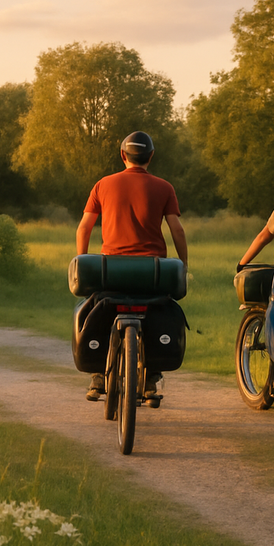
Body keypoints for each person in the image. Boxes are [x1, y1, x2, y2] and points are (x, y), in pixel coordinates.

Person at [76, 130, 188, 401]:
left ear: (122, 155)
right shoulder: (164, 187)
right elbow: (177, 230)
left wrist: (83, 261)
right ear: (151, 156)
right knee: (157, 310)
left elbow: (84, 228)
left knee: (98, 307)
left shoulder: (103, 185)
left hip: (111, 270)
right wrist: (183, 266)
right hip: (152, 272)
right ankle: (150, 377)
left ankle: (98, 374)